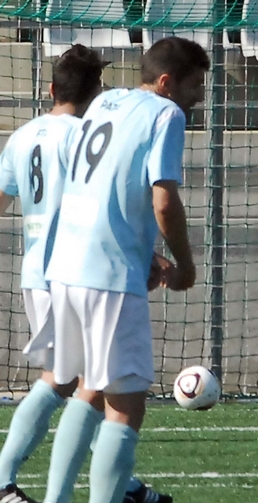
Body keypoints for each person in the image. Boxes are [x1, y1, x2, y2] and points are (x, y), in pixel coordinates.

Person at [0, 45, 173, 503]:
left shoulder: (24, 134)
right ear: (97, 94)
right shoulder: (85, 134)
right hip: (79, 270)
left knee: (80, 380)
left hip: (35, 270)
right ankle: (5, 478)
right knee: (79, 382)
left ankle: (120, 483)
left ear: (52, 88)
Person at [43, 36, 206, 503]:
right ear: (167, 82)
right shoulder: (167, 114)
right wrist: (184, 266)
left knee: (90, 388)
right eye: (195, 86)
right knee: (127, 405)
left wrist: (142, 254)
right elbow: (164, 201)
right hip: (108, 278)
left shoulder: (106, 99)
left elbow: (92, 180)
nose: (199, 96)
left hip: (67, 265)